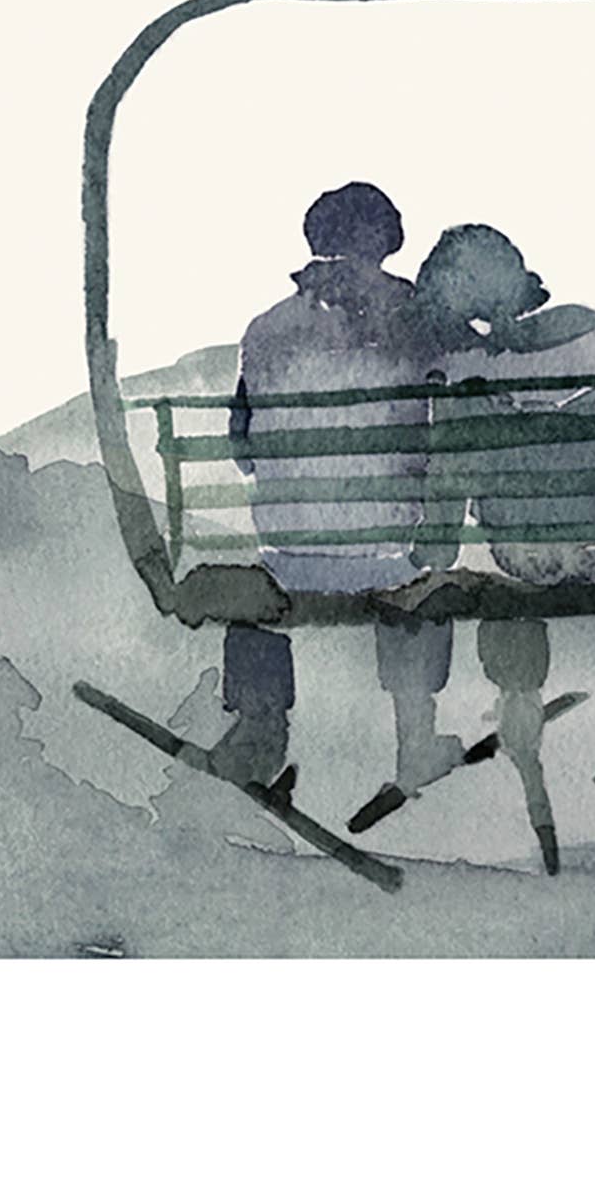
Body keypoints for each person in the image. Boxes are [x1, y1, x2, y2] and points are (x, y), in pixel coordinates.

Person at [413, 225, 595, 868]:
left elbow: (450, 477)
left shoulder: (467, 368)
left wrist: (436, 553)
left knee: (509, 597)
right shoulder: (593, 328)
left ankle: (519, 710)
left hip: (524, 555)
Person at [210, 182, 461, 796]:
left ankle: (260, 728)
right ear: (386, 241)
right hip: (391, 556)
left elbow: (242, 451)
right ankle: (416, 735)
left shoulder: (263, 329)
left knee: (258, 592)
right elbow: (452, 428)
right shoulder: (419, 320)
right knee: (422, 586)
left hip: (289, 556)